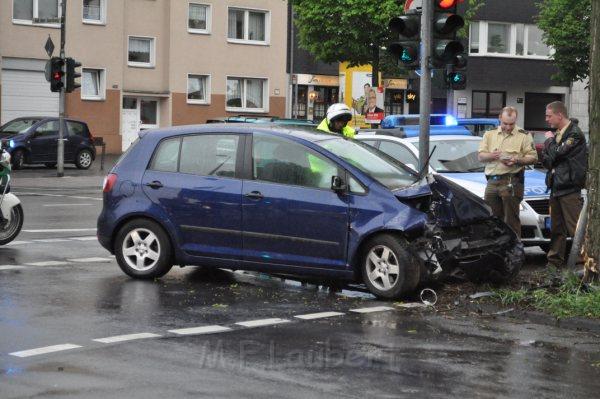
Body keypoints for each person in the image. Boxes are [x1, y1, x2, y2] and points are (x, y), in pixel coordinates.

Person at [478, 106, 538, 236]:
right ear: (500, 118)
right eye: (505, 123)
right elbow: (481, 156)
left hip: (511, 181)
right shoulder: (489, 134)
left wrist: (516, 160)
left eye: (512, 124)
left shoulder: (524, 135)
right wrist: (492, 156)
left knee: (511, 221)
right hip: (492, 182)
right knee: (492, 220)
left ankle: (514, 252)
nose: (509, 127)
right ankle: (495, 250)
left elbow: (533, 158)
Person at [542, 101, 588, 268]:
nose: (546, 119)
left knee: (575, 227)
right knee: (556, 228)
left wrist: (548, 142)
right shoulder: (559, 134)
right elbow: (547, 160)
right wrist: (551, 148)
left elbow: (556, 154)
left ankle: (582, 264)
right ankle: (554, 262)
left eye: (549, 115)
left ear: (559, 115)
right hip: (556, 187)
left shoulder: (574, 134)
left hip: (569, 187)